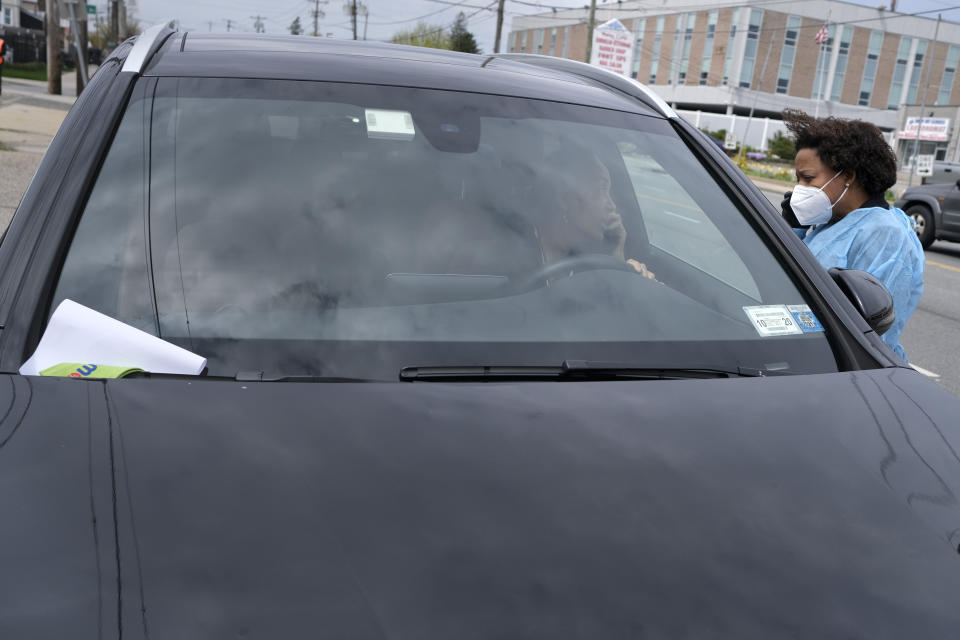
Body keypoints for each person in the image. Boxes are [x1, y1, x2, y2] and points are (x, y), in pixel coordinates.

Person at [780, 109, 923, 362]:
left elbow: (867, 330)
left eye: (808, 178)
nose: (799, 188)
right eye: (798, 179)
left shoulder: (884, 233)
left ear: (847, 176)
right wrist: (793, 228)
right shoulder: (832, 221)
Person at [536, 146, 657, 280]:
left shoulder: (591, 255)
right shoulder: (517, 258)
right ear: (564, 198)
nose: (612, 205)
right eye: (601, 190)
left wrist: (617, 257)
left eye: (609, 192)